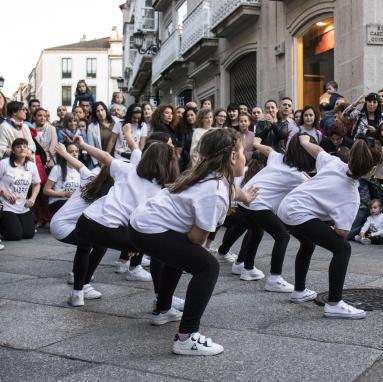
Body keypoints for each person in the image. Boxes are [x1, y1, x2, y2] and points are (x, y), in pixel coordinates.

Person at [128, 128, 256, 356]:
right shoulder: (215, 190)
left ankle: (163, 309)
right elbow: (197, 238)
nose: (246, 155)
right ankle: (187, 338)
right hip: (150, 229)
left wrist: (245, 196)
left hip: (142, 224)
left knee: (180, 256)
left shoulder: (207, 174)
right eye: (243, 151)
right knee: (208, 266)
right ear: (233, 157)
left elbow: (232, 190)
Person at [70, 126, 179, 307]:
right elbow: (147, 222)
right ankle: (162, 302)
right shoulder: (159, 191)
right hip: (111, 229)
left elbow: (104, 157)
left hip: (86, 221)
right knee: (160, 251)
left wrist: (82, 145)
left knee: (84, 250)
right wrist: (134, 243)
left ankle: (77, 293)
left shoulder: (128, 169)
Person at [278, 136, 379, 318]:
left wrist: (303, 141)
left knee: (308, 243)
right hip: (299, 213)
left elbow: (316, 150)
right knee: (343, 249)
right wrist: (329, 225)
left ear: (350, 159)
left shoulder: (334, 163)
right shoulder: (351, 196)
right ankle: (334, 303)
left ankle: (299, 292)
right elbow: (342, 232)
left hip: (286, 206)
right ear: (371, 170)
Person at [234, 135, 315, 290]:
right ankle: (275, 279)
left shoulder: (278, 158)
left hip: (245, 199)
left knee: (256, 230)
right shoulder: (296, 176)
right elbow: (310, 182)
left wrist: (257, 143)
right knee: (282, 236)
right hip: (257, 203)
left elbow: (268, 149)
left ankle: (246, 268)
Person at [49, 143, 111, 286]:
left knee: (92, 242)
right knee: (99, 244)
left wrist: (64, 153)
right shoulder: (107, 194)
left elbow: (78, 165)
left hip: (64, 223)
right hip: (63, 226)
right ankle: (83, 282)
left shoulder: (91, 176)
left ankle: (77, 275)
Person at [0, 138, 41, 240]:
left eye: (24, 146)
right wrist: (5, 194)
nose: (22, 149)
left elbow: (36, 184)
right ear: (13, 151)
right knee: (15, 235)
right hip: (6, 205)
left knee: (28, 234)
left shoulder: (31, 166)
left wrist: (32, 199)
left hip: (23, 206)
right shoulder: (4, 163)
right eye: (18, 147)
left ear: (28, 150)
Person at [44, 143, 82, 214]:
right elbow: (46, 190)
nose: (74, 154)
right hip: (58, 201)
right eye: (71, 152)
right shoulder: (57, 169)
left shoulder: (80, 171)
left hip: (73, 202)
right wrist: (64, 194)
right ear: (64, 154)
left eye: (76, 151)